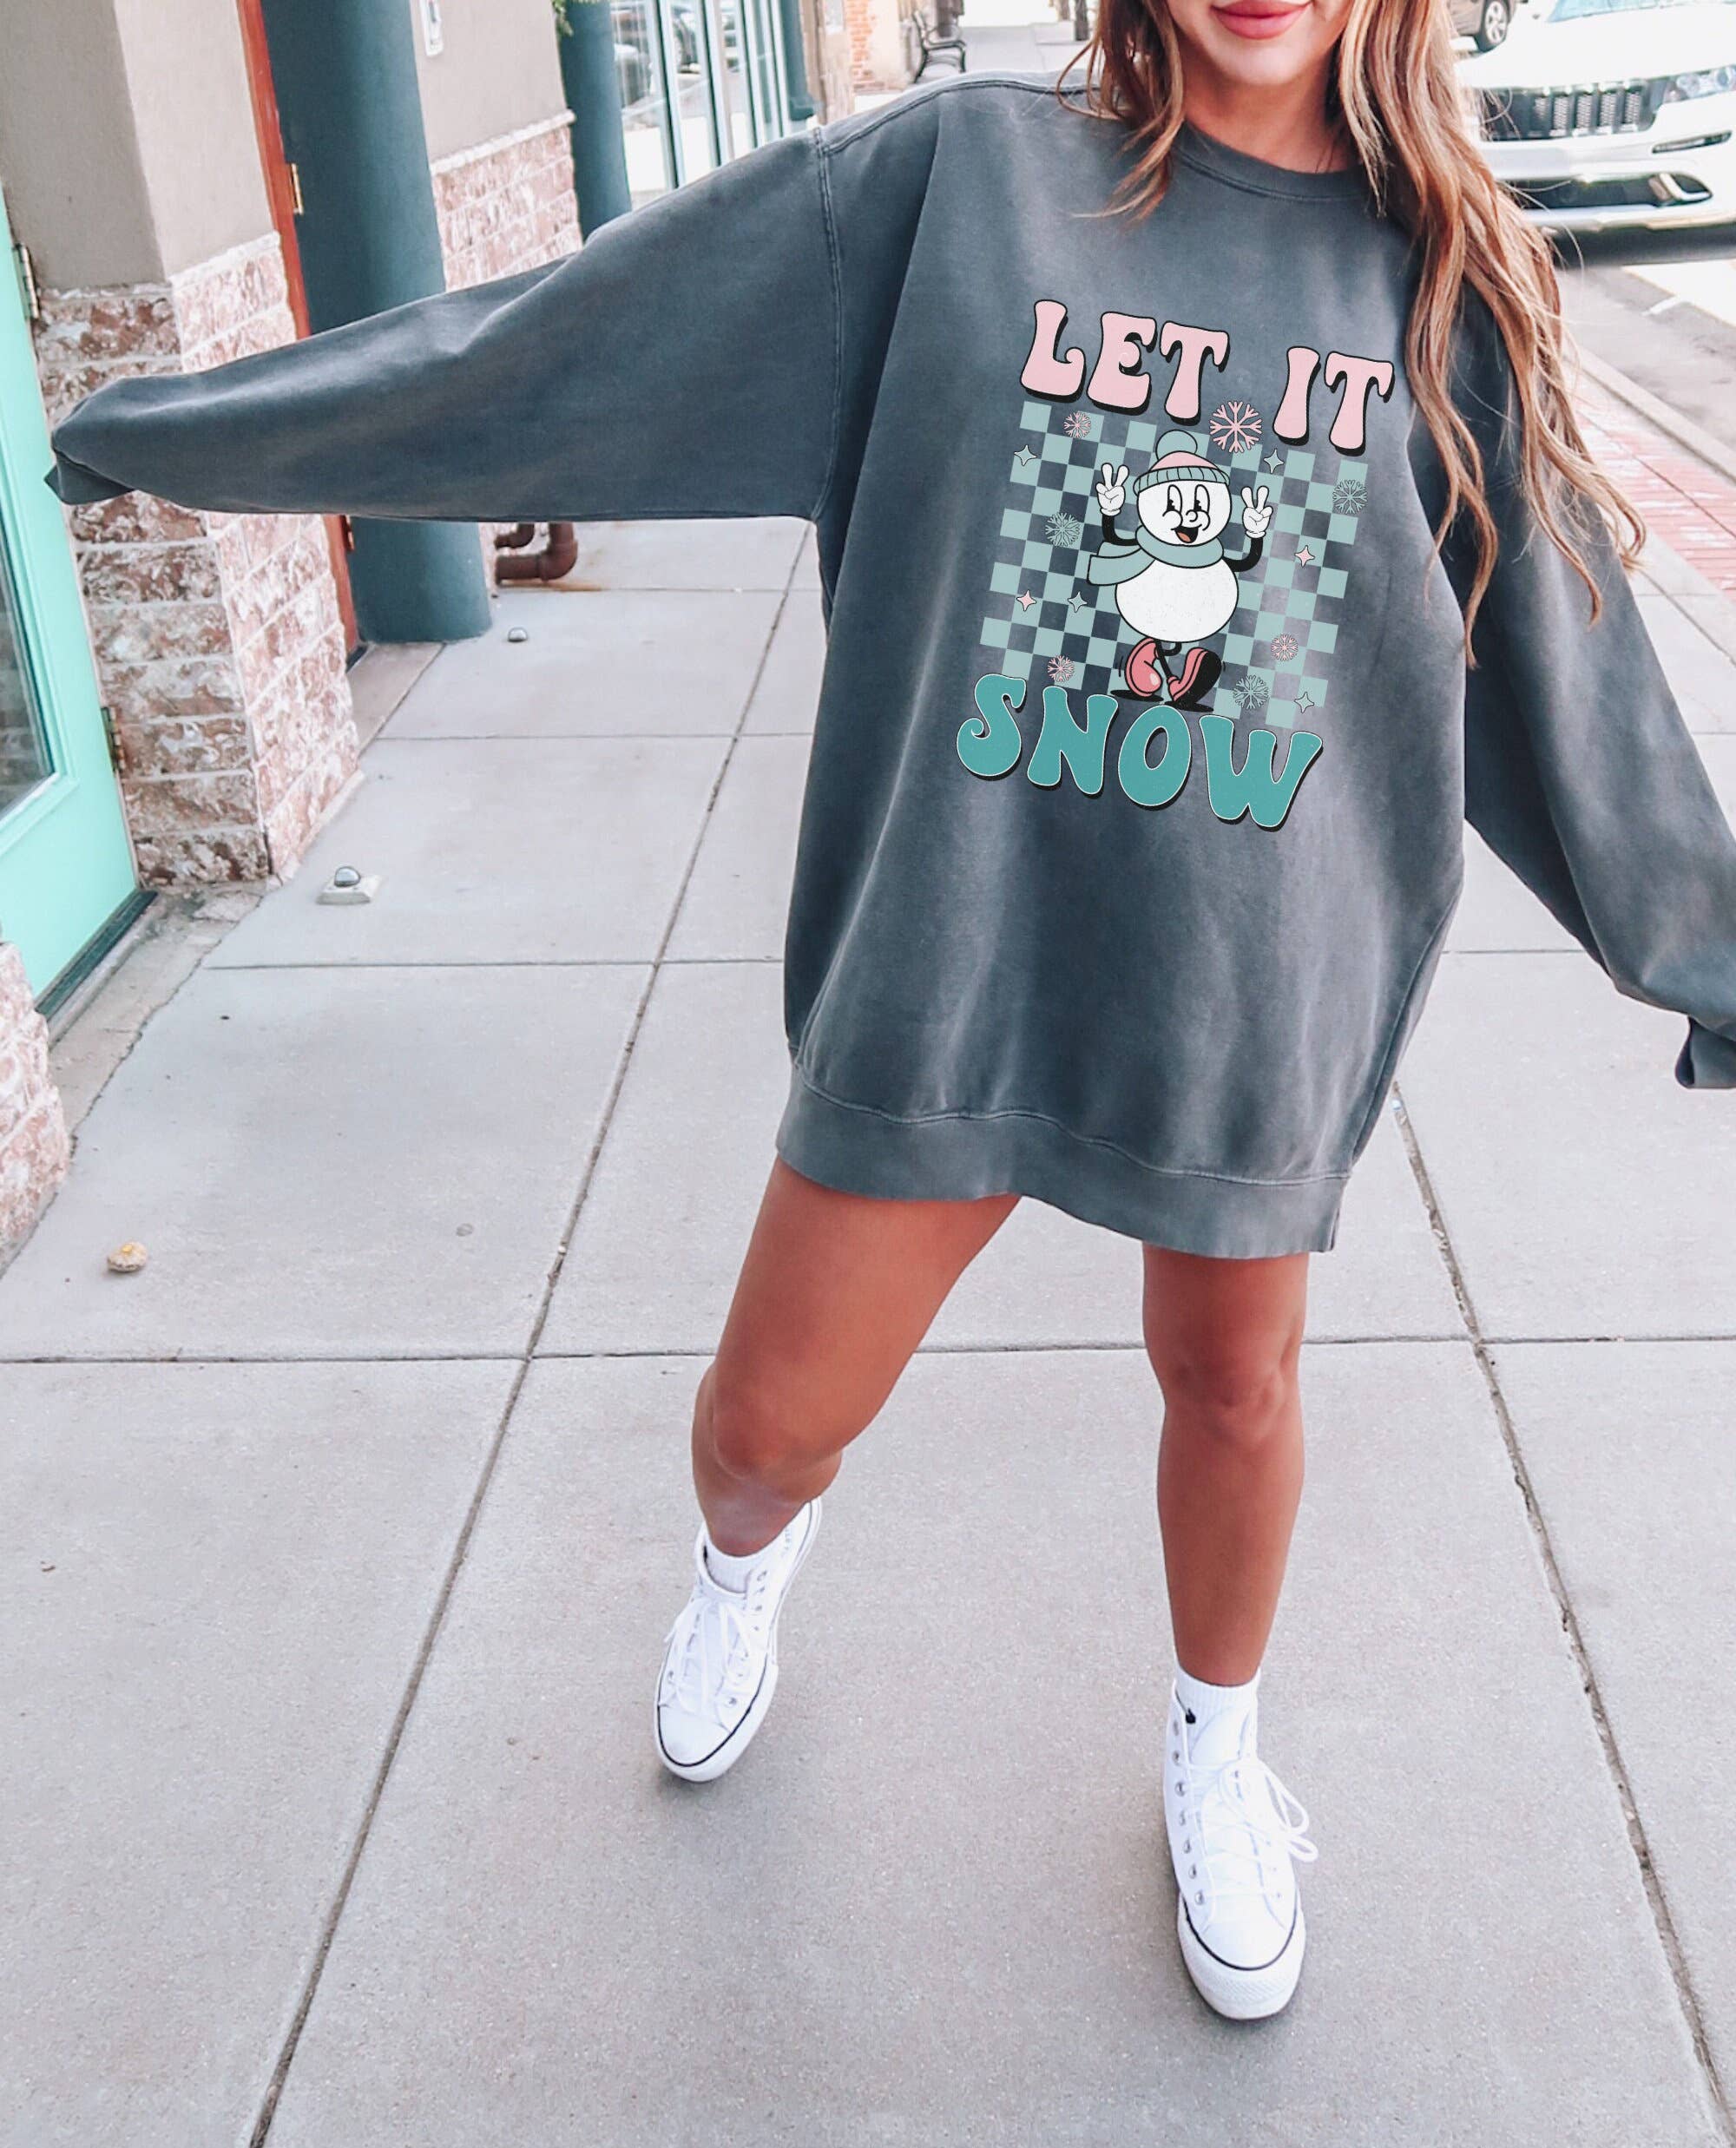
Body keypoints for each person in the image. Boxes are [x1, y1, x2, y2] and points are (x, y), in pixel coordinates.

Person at [46, 0, 1736, 2026]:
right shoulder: (956, 187)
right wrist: (190, 433)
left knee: (1234, 1386)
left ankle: (1215, 1744)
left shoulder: (1442, 278)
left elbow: (1575, 677)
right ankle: (743, 1569)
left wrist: (1707, 951)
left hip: (1245, 987)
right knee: (765, 1423)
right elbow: (558, 352)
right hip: (953, 948)